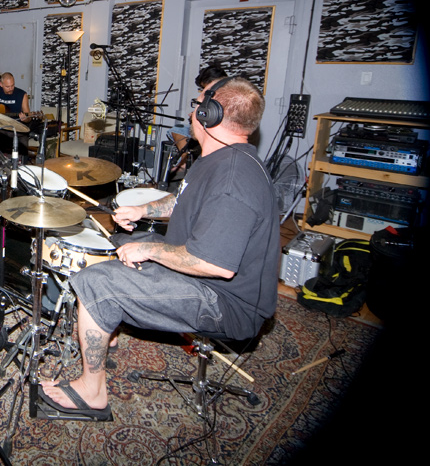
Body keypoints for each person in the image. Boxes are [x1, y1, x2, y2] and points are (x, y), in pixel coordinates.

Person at [38, 76, 279, 420]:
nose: (193, 111)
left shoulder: (233, 180)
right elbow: (183, 199)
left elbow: (215, 264)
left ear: (210, 114)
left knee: (95, 282)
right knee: (115, 244)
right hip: (202, 271)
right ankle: (105, 326)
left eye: (198, 104)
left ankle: (92, 392)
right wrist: (143, 210)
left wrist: (150, 251)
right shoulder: (219, 157)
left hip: (224, 302)